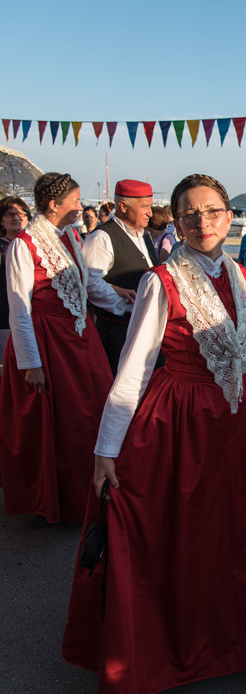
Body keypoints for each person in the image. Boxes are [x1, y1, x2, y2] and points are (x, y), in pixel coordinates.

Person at [62, 173, 246, 694]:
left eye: (212, 211)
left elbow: (243, 346)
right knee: (187, 539)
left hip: (237, 419)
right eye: (189, 214)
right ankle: (181, 646)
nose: (203, 222)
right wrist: (107, 449)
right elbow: (133, 369)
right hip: (180, 422)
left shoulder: (241, 273)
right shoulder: (162, 280)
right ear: (174, 223)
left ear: (229, 216)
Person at [0, 173, 129, 523]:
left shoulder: (69, 236)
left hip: (77, 335)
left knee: (93, 410)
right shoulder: (23, 246)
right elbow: (19, 308)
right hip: (47, 340)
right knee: (65, 420)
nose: (79, 205)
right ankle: (67, 500)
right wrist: (30, 362)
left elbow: (86, 287)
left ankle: (95, 488)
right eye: (74, 200)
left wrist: (126, 304)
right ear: (55, 205)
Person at [83, 180, 158, 375]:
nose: (150, 213)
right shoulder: (102, 238)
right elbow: (91, 284)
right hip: (118, 332)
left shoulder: (145, 236)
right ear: (123, 207)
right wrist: (127, 302)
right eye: (145, 207)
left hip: (145, 329)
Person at [0, 196, 31, 365]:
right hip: (5, 317)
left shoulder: (32, 245)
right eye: (10, 214)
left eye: (21, 213)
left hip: (32, 316)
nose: (16, 217)